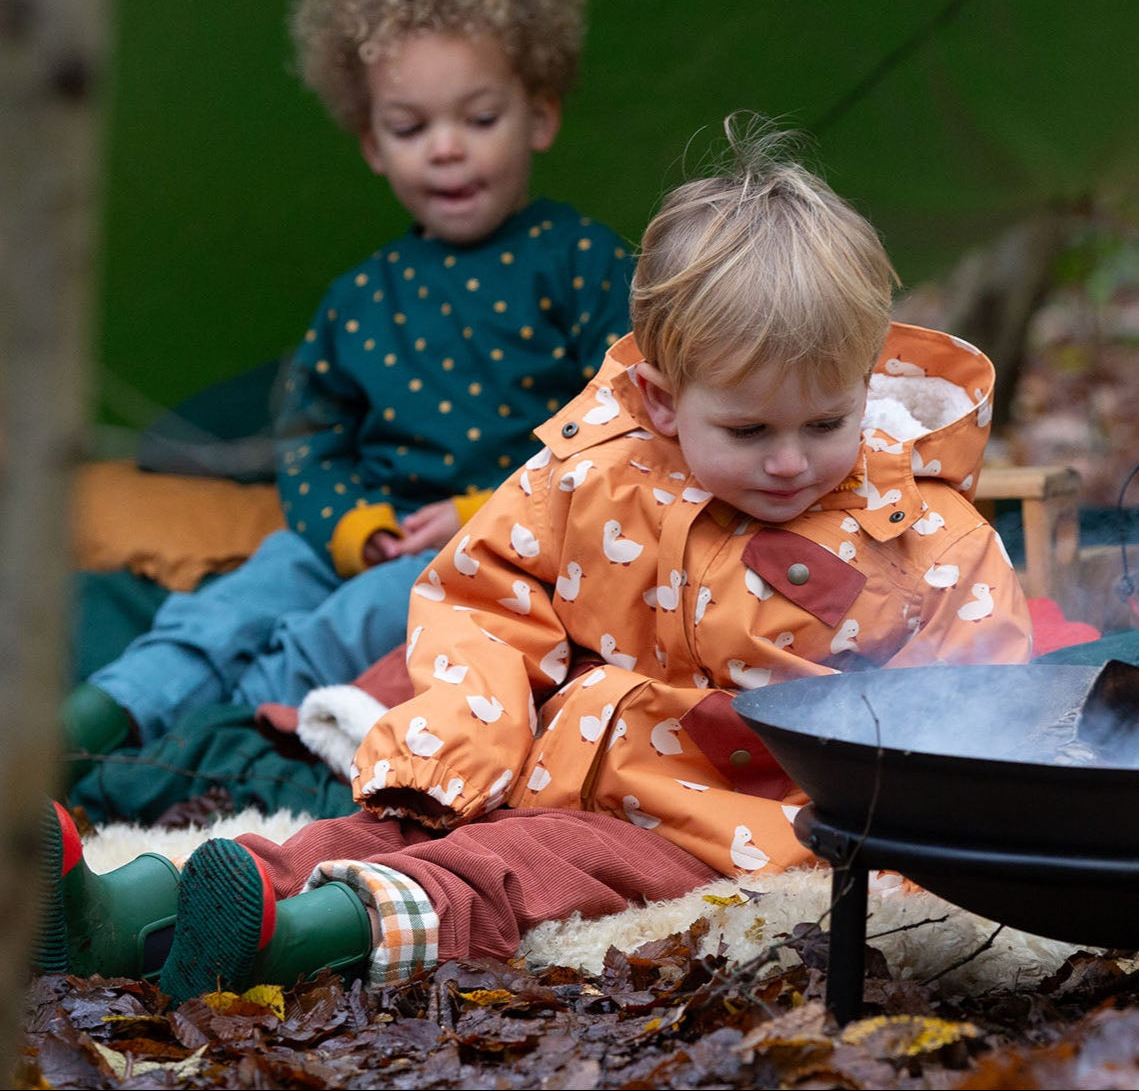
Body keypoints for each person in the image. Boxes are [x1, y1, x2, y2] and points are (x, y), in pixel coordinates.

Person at [39, 117, 1033, 999]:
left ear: (866, 381)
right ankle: (140, 910)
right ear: (657, 399)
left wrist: (904, 862)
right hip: (551, 755)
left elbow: (973, 709)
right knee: (404, 823)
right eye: (746, 426)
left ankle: (310, 938)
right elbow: (480, 593)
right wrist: (463, 742)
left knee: (522, 860)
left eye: (826, 420)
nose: (788, 458)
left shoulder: (920, 537)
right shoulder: (594, 477)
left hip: (713, 820)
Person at [61, 0, 633, 768]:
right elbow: (312, 443)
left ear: (539, 116)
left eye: (478, 118)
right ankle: (95, 722)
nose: (445, 150)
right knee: (246, 590)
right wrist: (349, 526)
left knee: (370, 611)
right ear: (371, 143)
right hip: (368, 528)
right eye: (410, 129)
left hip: (498, 548)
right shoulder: (360, 298)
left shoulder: (582, 264)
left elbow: (622, 426)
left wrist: (487, 515)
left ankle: (200, 749)